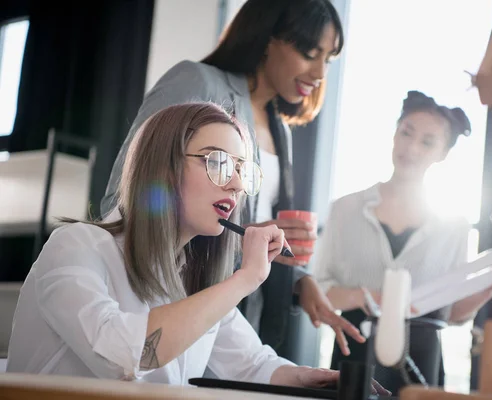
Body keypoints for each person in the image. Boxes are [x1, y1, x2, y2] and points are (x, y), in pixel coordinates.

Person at [6, 103, 388, 395]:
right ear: (163, 167)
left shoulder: (195, 278)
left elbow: (254, 365)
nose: (236, 185)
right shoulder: (77, 247)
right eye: (219, 163)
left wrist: (319, 380)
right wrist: (244, 280)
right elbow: (126, 356)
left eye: (243, 169)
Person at [100, 0, 362, 357]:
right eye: (308, 52)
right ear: (266, 37)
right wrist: (242, 236)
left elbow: (247, 222)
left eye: (328, 59)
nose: (319, 73)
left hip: (237, 325)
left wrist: (301, 281)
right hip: (175, 311)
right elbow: (126, 195)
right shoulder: (196, 81)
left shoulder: (280, 129)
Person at [313, 91, 492, 392]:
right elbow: (319, 289)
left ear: (442, 153)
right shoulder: (345, 209)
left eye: (427, 142)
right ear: (395, 134)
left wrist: (491, 287)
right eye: (406, 133)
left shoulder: (454, 226)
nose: (411, 148)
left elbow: (450, 313)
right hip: (356, 353)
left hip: (421, 361)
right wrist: (369, 297)